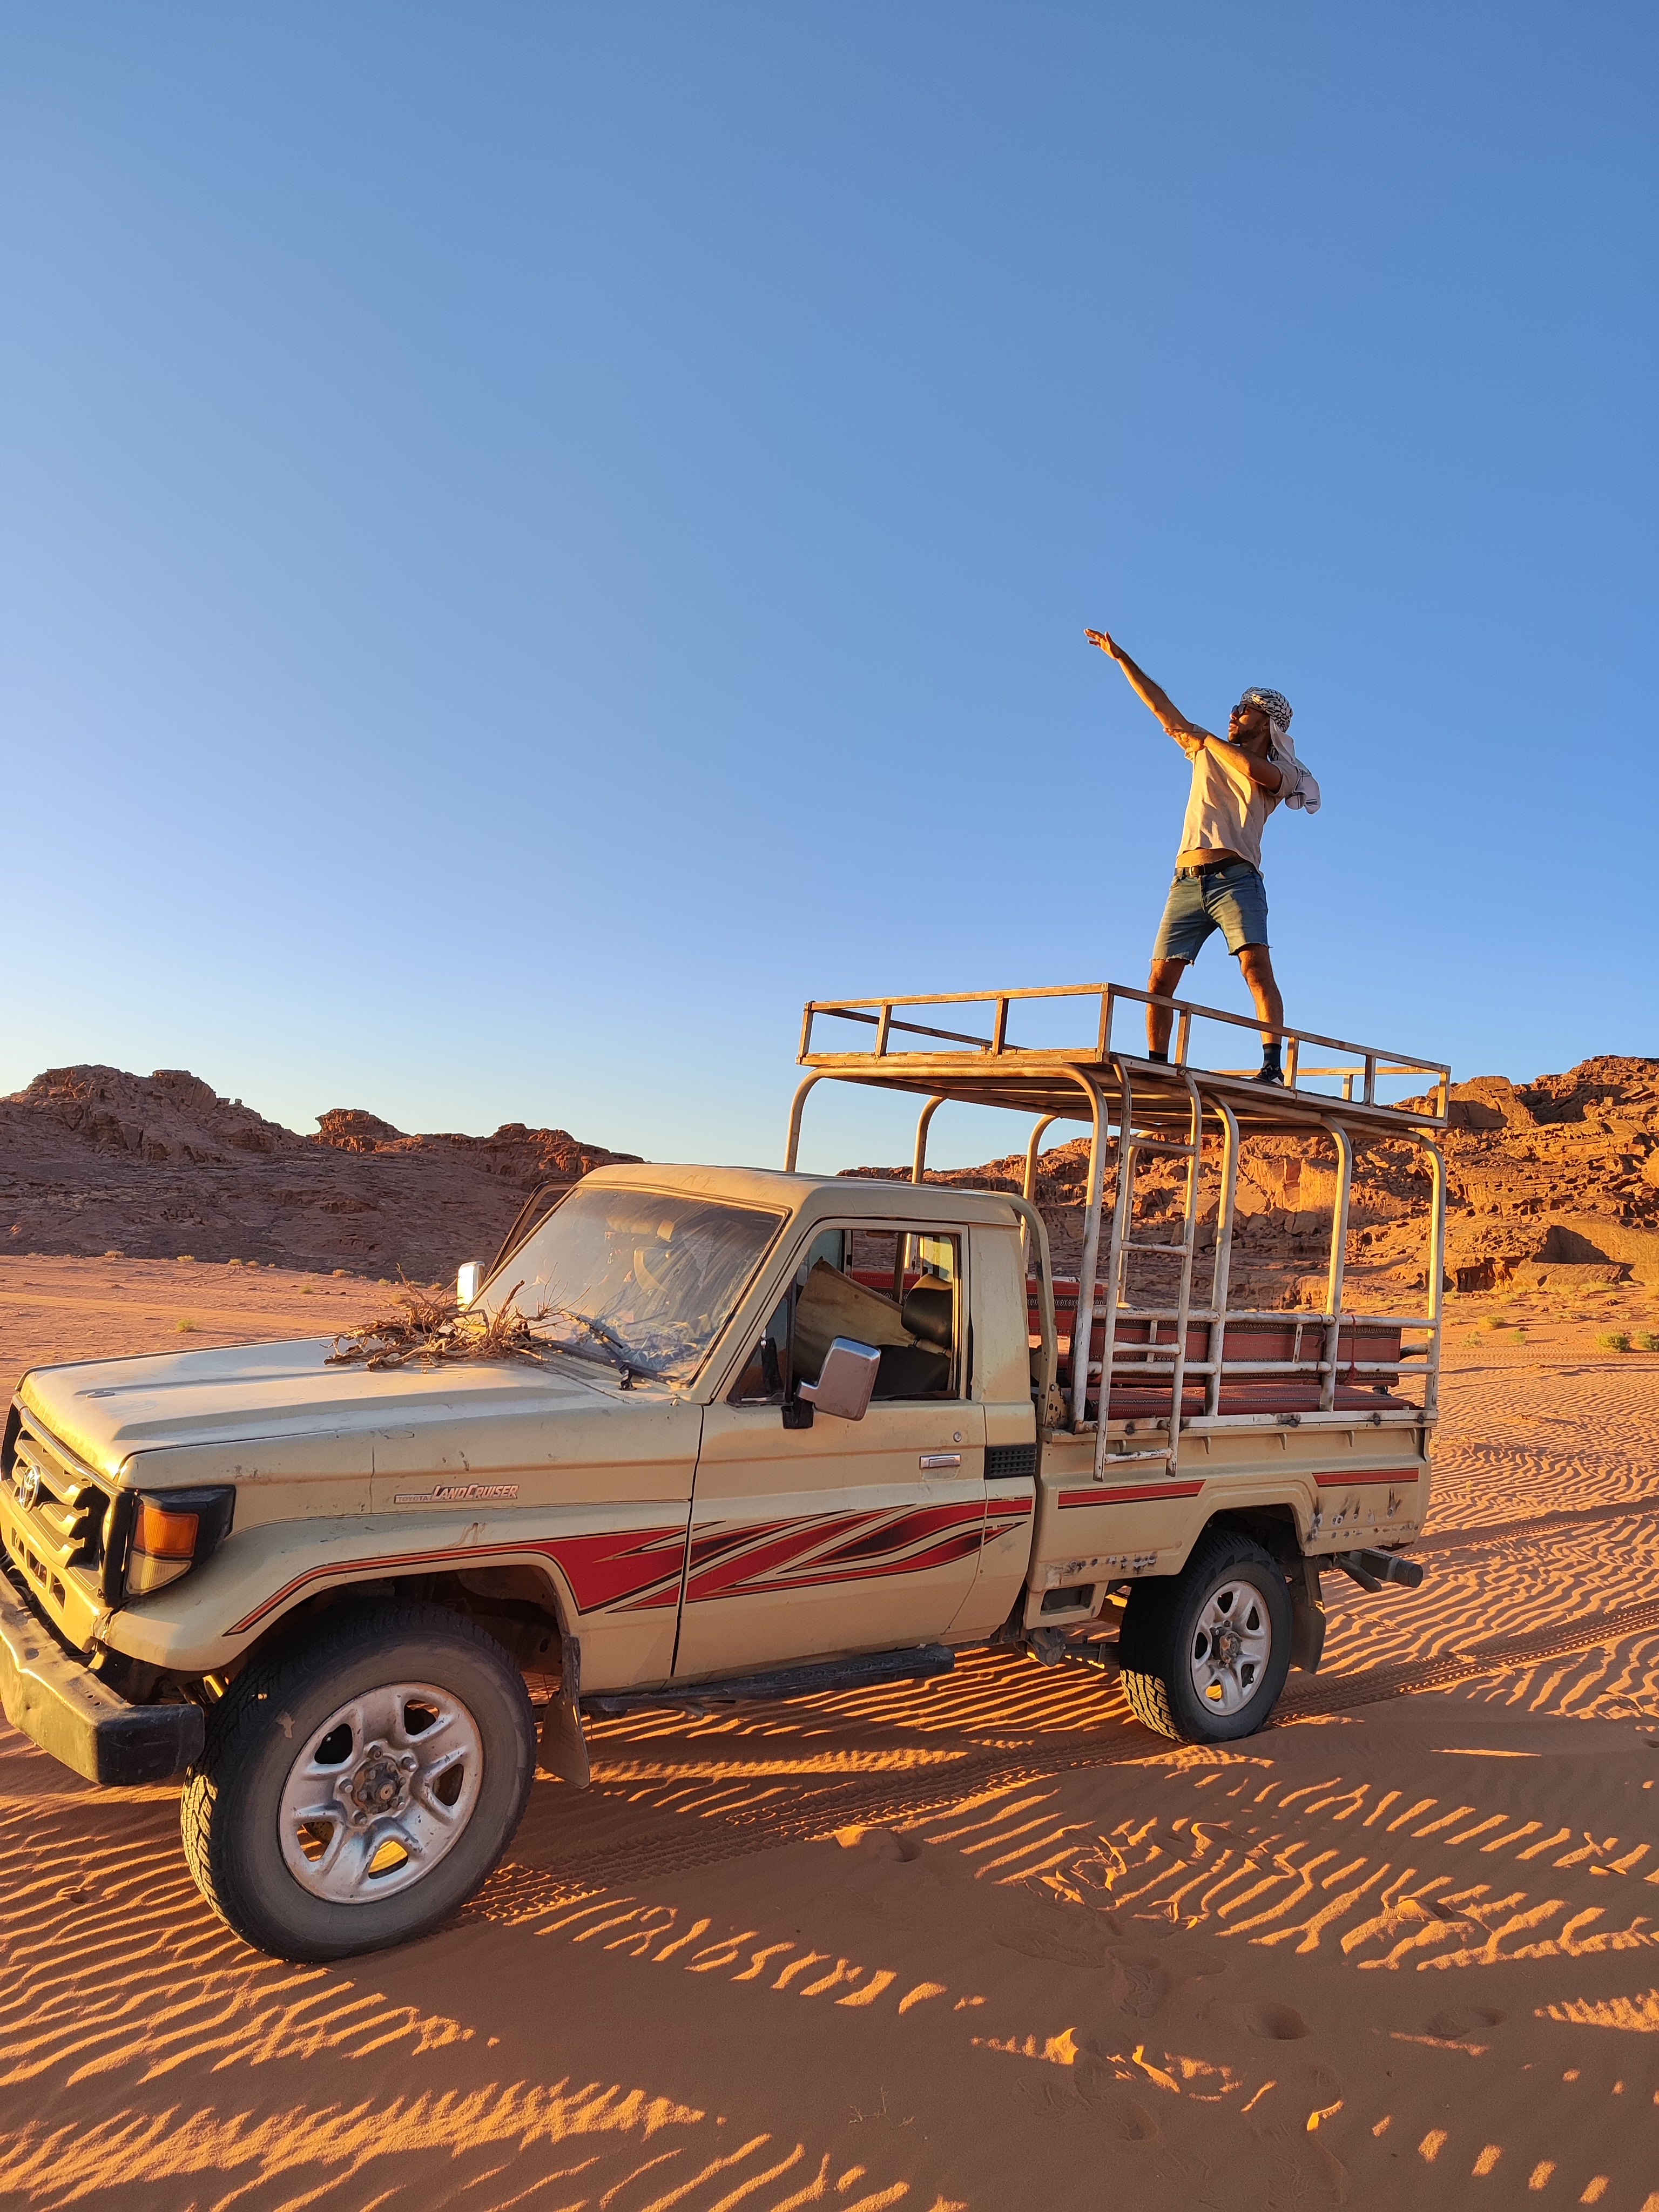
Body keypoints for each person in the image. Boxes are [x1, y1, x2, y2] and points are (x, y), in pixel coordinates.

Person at [1087, 628, 1320, 1084]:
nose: (1233, 714)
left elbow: (1257, 771)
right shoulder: (1205, 750)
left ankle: (1271, 1067)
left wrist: (1205, 736)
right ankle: (1154, 1066)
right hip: (1187, 880)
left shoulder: (1284, 770)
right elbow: (1160, 706)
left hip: (1239, 879)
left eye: (1243, 710)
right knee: (1159, 980)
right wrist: (1121, 658)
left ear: (1267, 723)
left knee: (1255, 966)